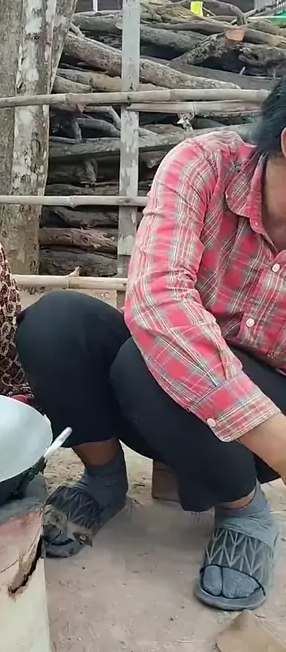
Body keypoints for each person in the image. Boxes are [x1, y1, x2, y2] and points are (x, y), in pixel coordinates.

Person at [15, 78, 286, 613]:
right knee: (56, 325)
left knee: (149, 366)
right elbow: (159, 298)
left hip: (262, 426)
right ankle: (103, 480)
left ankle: (243, 509)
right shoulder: (205, 166)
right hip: (222, 417)